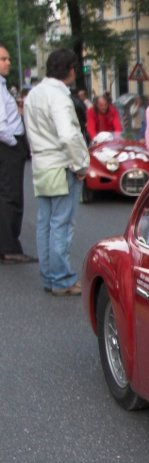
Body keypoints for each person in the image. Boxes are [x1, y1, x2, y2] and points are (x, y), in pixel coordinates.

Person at [23, 48, 90, 295]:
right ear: (71, 70)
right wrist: (81, 164)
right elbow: (68, 134)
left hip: (41, 165)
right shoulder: (59, 97)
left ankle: (50, 277)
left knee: (45, 224)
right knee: (61, 224)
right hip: (60, 166)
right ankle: (62, 279)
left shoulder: (34, 94)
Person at [0, 43, 35, 265]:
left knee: (7, 195)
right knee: (10, 197)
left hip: (9, 146)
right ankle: (10, 248)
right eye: (3, 59)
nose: (8, 63)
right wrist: (14, 144)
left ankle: (6, 244)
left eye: (8, 59)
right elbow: (1, 126)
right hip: (8, 147)